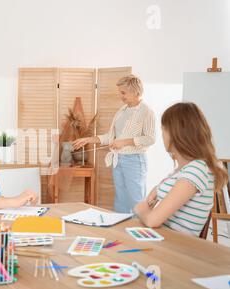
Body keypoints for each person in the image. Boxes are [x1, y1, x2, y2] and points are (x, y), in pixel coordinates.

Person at [133, 102, 228, 237]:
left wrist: (141, 208)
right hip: (162, 238)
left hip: (175, 247)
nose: (162, 136)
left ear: (176, 134)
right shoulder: (185, 169)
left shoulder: (196, 170)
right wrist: (157, 189)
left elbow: (152, 220)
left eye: (163, 130)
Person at [72, 75, 155, 213]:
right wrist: (88, 140)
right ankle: (120, 232)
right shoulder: (121, 111)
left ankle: (138, 231)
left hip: (135, 160)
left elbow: (150, 138)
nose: (120, 96)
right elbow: (111, 137)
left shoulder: (146, 111)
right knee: (121, 200)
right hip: (118, 160)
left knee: (136, 200)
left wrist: (125, 142)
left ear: (136, 92)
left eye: (123, 93)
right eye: (120, 92)